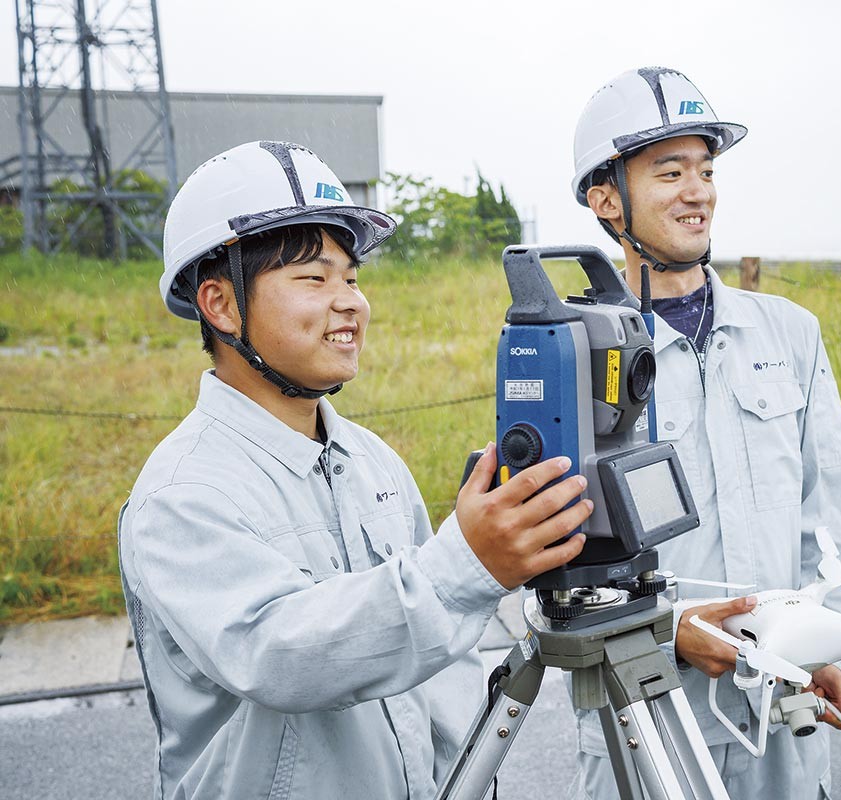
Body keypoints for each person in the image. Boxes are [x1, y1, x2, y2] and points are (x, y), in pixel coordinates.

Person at [119, 140, 592, 799]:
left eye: (352, 278)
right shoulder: (183, 496)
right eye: (314, 278)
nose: (350, 303)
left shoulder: (376, 463)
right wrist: (466, 566)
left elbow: (442, 674)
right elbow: (283, 657)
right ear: (221, 305)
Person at [567, 68, 841, 799]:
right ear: (606, 198)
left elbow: (829, 514)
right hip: (646, 721)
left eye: (705, 170)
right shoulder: (572, 353)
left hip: (784, 717)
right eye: (669, 172)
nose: (697, 190)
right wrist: (666, 631)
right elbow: (544, 576)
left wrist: (836, 646)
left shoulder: (788, 333)